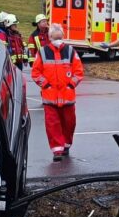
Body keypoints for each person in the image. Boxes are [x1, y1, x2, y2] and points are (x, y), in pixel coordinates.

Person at [31, 23, 83, 161]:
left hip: (67, 96)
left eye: (59, 35)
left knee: (69, 123)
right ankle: (57, 150)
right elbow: (36, 73)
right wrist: (46, 85)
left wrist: (71, 85)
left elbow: (78, 72)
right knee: (52, 124)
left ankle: (66, 144)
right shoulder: (42, 52)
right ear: (50, 37)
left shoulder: (70, 51)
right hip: (50, 97)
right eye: (55, 36)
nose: (57, 38)